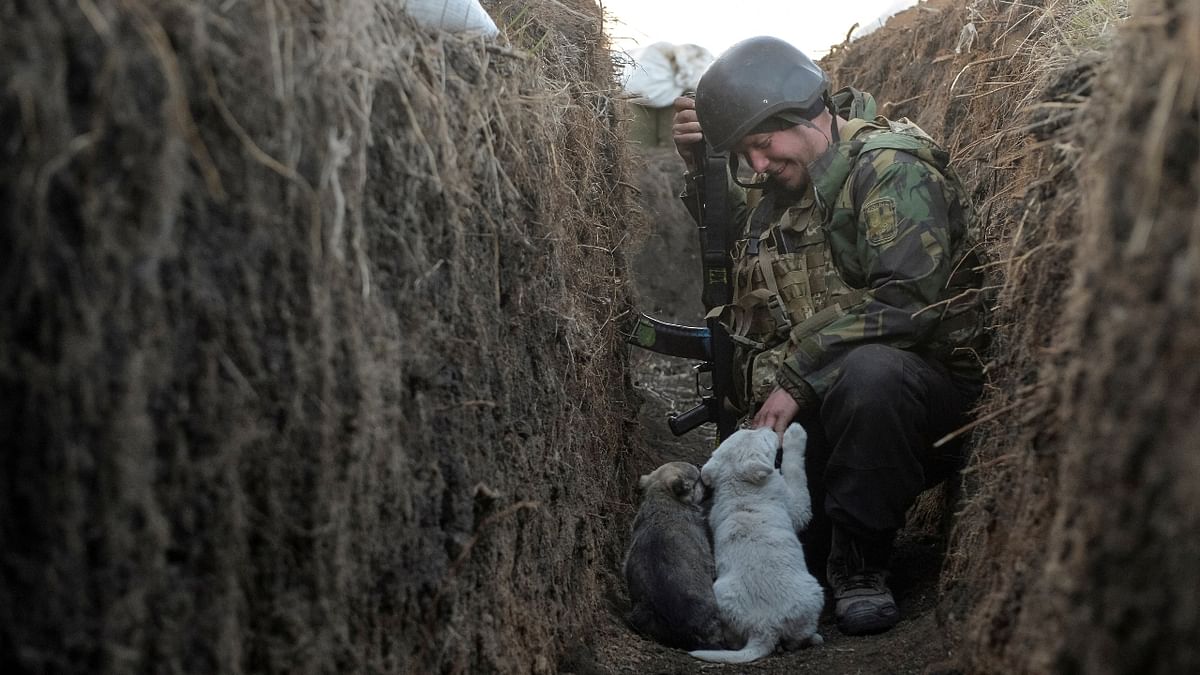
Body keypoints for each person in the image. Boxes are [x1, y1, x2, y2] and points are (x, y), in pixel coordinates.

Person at [671, 36, 988, 636]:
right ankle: (829, 544)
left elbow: (909, 302)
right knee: (771, 555)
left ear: (804, 114)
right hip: (831, 413)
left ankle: (862, 567)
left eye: (763, 145)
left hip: (917, 406)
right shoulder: (793, 185)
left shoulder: (889, 170)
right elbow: (751, 260)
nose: (758, 166)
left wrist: (795, 378)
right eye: (747, 155)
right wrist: (703, 170)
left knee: (874, 373)